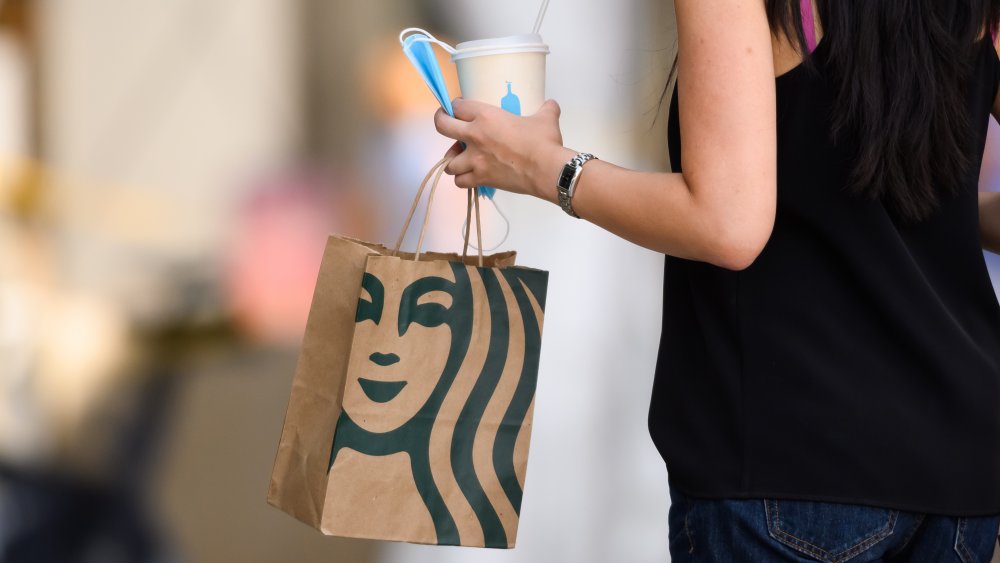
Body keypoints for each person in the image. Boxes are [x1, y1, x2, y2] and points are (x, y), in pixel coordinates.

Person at [433, 0, 1000, 560]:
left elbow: (728, 222)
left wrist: (541, 165)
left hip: (789, 462)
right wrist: (922, 216)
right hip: (963, 475)